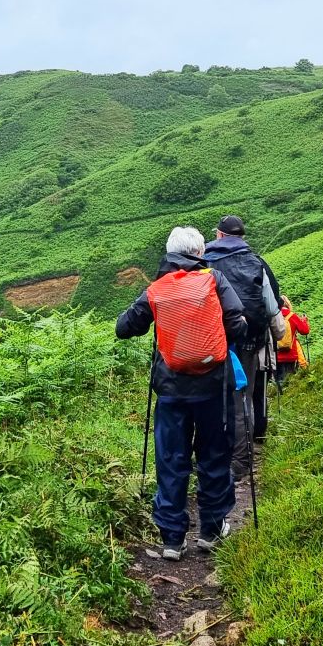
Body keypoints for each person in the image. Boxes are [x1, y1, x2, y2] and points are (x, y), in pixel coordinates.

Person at [116, 226, 247, 560]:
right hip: (213, 388)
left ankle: (172, 539)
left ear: (170, 253)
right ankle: (211, 530)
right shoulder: (215, 280)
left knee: (172, 460)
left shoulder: (156, 288)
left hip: (171, 390)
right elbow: (238, 323)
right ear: (200, 253)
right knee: (214, 456)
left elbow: (124, 327)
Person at [202, 215, 286, 484]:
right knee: (243, 398)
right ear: (242, 237)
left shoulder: (202, 262)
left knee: (212, 399)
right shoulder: (256, 263)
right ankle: (242, 461)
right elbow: (271, 306)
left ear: (218, 235)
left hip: (210, 341)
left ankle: (213, 457)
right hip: (248, 342)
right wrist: (277, 333)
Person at [275, 295, 310, 386]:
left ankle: (278, 396)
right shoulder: (292, 316)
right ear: (288, 304)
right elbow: (304, 331)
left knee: (278, 381)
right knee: (290, 381)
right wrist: (304, 321)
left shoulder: (274, 316)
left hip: (275, 355)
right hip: (291, 354)